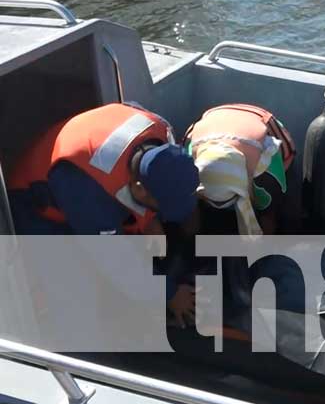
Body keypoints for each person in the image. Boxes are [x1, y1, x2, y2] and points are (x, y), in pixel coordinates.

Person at [8, 102, 201, 326]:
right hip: (35, 206)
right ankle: (78, 348)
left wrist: (149, 219)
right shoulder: (88, 190)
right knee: (75, 292)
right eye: (161, 206)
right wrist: (169, 295)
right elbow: (116, 260)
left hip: (84, 171)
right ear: (139, 187)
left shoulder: (160, 131)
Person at [183, 103, 300, 235]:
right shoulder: (187, 159)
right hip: (213, 118)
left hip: (260, 122)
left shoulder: (267, 173)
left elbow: (268, 217)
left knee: (287, 213)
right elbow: (189, 212)